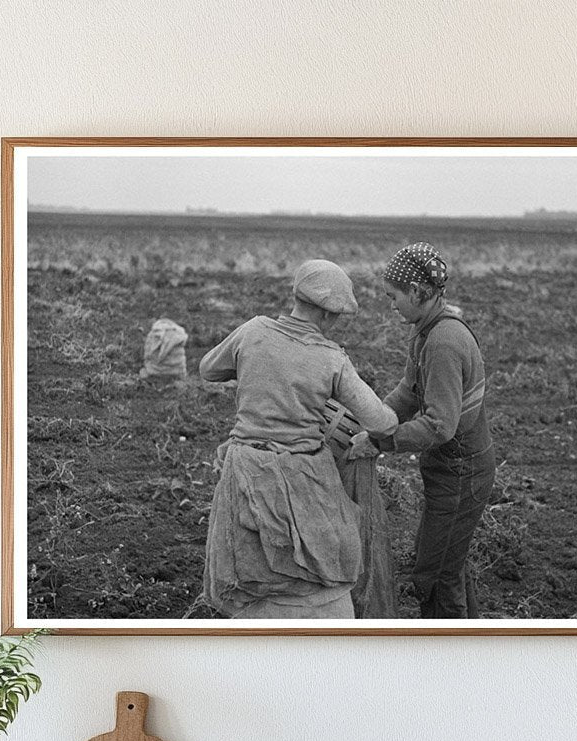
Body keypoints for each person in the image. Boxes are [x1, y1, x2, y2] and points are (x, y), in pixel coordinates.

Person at [199, 259, 397, 619]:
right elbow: (380, 421)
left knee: (250, 563)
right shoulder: (331, 358)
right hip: (305, 476)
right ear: (327, 316)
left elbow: (209, 369)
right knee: (322, 564)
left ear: (296, 297)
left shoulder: (253, 331)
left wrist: (253, 370)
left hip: (245, 468)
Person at [375, 242, 495, 618]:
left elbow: (441, 425)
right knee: (447, 565)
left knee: (434, 574)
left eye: (394, 296)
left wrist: (383, 440)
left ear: (416, 292)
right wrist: (372, 418)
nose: (391, 303)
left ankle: (446, 658)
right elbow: (408, 393)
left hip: (462, 473)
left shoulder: (443, 343)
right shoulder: (426, 332)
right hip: (451, 469)